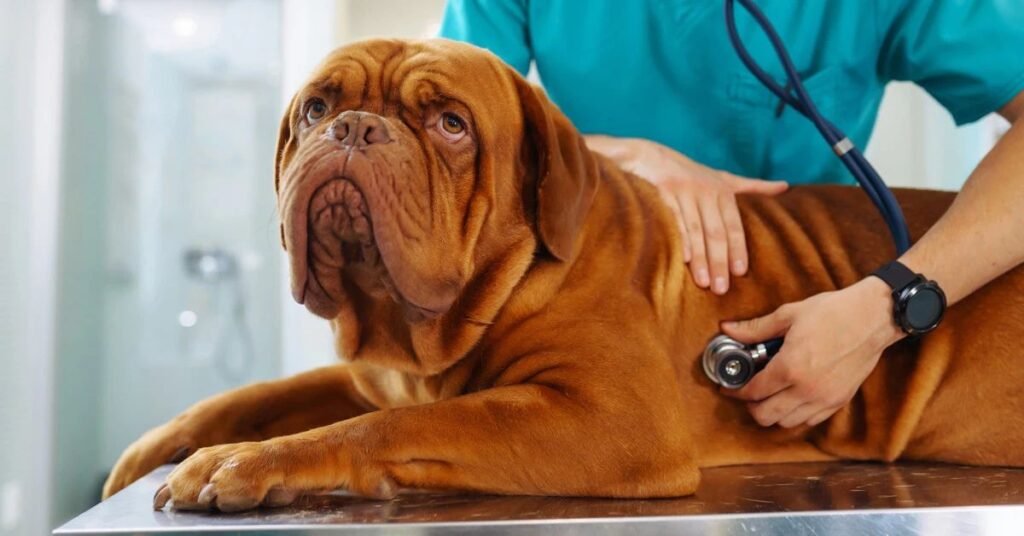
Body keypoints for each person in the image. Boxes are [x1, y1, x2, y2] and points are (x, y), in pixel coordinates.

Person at [440, 1, 1024, 428]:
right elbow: (444, 129)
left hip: (807, 351)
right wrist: (617, 159)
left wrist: (888, 307)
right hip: (576, 334)